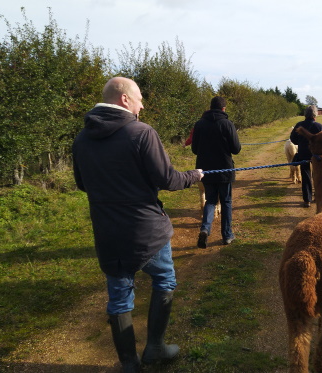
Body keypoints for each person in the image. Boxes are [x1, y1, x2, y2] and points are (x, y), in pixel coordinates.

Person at [72, 77, 203, 372]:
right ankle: (155, 349)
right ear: (125, 100)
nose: (143, 105)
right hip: (146, 232)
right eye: (140, 98)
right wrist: (194, 175)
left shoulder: (82, 139)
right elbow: (167, 179)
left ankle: (129, 364)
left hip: (107, 233)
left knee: (119, 296)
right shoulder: (141, 132)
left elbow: (83, 184)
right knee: (165, 280)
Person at [191, 96, 241, 248]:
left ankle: (205, 229)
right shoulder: (227, 124)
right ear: (223, 109)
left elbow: (194, 149)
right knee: (226, 201)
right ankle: (227, 235)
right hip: (224, 169)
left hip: (206, 170)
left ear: (210, 107)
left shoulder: (199, 124)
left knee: (210, 201)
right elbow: (236, 149)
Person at [290, 104, 322, 207]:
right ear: (315, 114)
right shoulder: (319, 126)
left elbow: (293, 139)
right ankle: (317, 196)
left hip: (303, 154)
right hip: (317, 155)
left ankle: (307, 200)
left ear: (305, 114)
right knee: (317, 175)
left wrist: (300, 143)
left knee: (305, 176)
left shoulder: (299, 125)